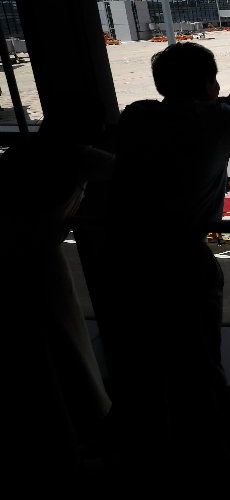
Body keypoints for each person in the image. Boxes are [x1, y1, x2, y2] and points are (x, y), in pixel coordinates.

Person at [106, 42, 230, 489]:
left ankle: (148, 454)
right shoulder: (218, 120)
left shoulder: (137, 115)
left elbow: (184, 114)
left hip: (129, 258)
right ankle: (210, 459)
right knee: (199, 362)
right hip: (182, 259)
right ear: (208, 83)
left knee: (142, 361)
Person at [2, 109, 113, 491]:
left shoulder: (21, 154)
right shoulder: (78, 156)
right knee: (65, 351)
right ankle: (78, 441)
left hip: (17, 262)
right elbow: (133, 172)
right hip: (38, 266)